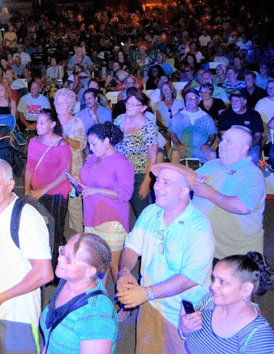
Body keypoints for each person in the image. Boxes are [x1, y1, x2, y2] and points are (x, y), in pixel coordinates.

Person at [117, 163, 214, 354]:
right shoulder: (151, 213)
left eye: (166, 182)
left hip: (183, 315)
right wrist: (125, 271)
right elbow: (131, 246)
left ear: (184, 191)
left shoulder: (199, 228)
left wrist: (147, 293)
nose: (157, 186)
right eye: (158, 180)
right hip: (151, 305)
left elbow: (189, 278)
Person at [0, 159, 53, 353]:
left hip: (16, 315)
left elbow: (44, 273)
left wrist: (3, 296)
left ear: (11, 185)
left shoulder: (27, 217)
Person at [192, 126, 266, 260]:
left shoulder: (252, 174)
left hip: (236, 255)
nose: (222, 144)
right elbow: (189, 181)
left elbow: (243, 206)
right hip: (206, 248)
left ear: (244, 148)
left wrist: (210, 193)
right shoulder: (212, 164)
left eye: (229, 141)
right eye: (223, 140)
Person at [179, 252, 274, 353]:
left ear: (246, 289)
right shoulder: (209, 301)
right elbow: (189, 339)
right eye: (213, 279)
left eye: (222, 282)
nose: (212, 286)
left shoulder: (259, 339)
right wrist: (184, 329)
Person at [40, 233, 118, 354]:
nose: (59, 259)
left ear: (89, 271)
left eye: (69, 259)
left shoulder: (95, 317)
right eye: (62, 251)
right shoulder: (67, 281)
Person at [79, 122, 134, 285]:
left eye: (94, 144)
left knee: (113, 264)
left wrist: (96, 190)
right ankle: (98, 296)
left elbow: (125, 194)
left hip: (112, 218)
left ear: (107, 141)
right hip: (92, 215)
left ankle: (125, 303)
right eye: (89, 144)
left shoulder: (122, 163)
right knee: (96, 262)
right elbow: (87, 180)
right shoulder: (92, 158)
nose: (90, 148)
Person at [24, 109, 72, 266]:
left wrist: (43, 190)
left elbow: (65, 173)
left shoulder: (62, 146)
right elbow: (30, 167)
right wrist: (26, 189)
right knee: (40, 229)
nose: (38, 125)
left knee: (56, 229)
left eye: (42, 122)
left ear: (52, 124)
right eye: (37, 122)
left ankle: (59, 266)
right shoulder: (34, 142)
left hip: (56, 192)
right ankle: (42, 265)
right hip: (37, 191)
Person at [114, 90, 158, 217]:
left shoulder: (148, 127)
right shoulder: (119, 120)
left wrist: (146, 182)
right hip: (118, 172)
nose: (128, 106)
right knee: (118, 210)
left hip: (138, 173)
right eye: (128, 103)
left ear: (143, 108)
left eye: (134, 105)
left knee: (142, 213)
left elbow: (152, 157)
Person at [54, 88, 86, 235]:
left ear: (70, 104)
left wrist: (65, 139)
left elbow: (81, 145)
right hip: (55, 168)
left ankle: (79, 234)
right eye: (56, 102)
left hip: (73, 167)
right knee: (57, 201)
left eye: (62, 102)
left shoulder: (77, 122)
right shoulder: (51, 122)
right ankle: (58, 233)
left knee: (74, 203)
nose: (58, 105)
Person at [169, 89, 217, 163]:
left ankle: (212, 174)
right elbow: (172, 132)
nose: (190, 101)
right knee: (175, 153)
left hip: (201, 148)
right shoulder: (178, 116)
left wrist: (207, 144)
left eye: (193, 98)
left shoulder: (206, 116)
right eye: (187, 99)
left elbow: (212, 133)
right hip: (183, 147)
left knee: (212, 154)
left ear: (198, 100)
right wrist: (178, 144)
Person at [218, 90, 263, 165]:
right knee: (224, 153)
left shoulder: (254, 115)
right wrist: (234, 146)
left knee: (253, 155)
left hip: (250, 145)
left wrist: (249, 146)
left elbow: (258, 135)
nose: (233, 103)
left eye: (236, 101)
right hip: (229, 144)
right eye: (232, 101)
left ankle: (250, 175)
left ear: (244, 102)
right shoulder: (225, 115)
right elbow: (223, 134)